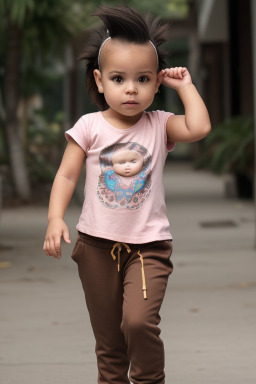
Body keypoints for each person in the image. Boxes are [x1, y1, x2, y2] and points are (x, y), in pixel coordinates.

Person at [43, 5, 211, 384]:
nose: (131, 88)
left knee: (137, 322)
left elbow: (199, 127)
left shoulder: (160, 124)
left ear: (156, 83)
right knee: (109, 341)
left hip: (148, 247)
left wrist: (184, 86)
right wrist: (55, 217)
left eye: (143, 79)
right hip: (95, 247)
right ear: (100, 82)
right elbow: (67, 176)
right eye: (119, 78)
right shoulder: (88, 127)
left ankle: (150, 379)